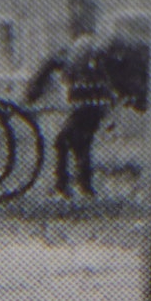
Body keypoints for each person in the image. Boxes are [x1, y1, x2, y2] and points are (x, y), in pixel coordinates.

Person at [26, 36, 115, 197]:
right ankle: (81, 185)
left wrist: (31, 97)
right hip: (91, 104)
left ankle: (67, 184)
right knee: (80, 144)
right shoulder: (85, 53)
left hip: (87, 104)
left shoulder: (75, 54)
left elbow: (47, 69)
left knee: (65, 142)